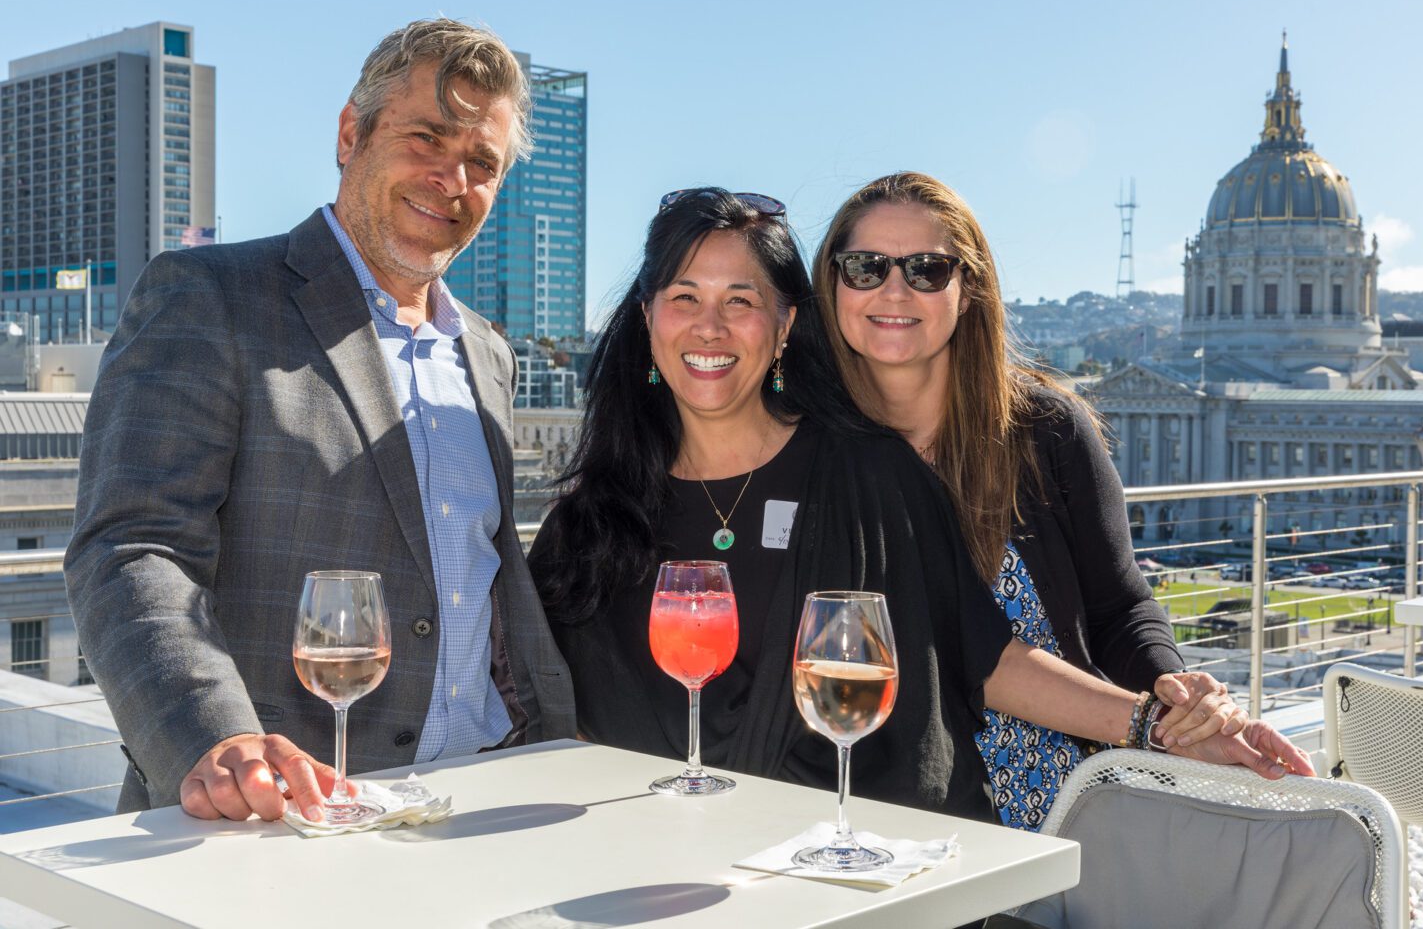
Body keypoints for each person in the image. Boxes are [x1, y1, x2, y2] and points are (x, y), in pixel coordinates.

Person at [529, 188, 1310, 824]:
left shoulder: (874, 465)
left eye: (741, 299)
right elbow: (540, 692)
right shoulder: (590, 517)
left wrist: (1164, 721)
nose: (709, 325)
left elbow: (985, 647)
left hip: (872, 847)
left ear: (784, 325)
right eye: (684, 296)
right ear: (645, 317)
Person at [65, 19, 575, 822]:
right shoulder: (208, 296)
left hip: (484, 800)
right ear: (351, 133)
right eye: (427, 138)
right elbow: (133, 547)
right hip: (283, 817)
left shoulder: (488, 353)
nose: (453, 177)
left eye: (483, 162)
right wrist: (213, 741)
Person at [810, 170, 1284, 829]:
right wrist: (1154, 723)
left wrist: (1177, 696)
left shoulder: (1047, 429)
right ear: (831, 283)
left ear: (969, 288)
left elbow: (1119, 605)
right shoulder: (808, 450)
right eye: (865, 266)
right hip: (888, 811)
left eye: (927, 269)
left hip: (1080, 799)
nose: (895, 288)